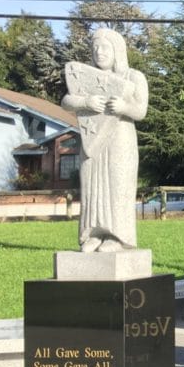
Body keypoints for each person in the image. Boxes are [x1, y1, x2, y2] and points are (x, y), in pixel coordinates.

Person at [62, 28, 148, 252]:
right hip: (92, 141)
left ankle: (117, 236)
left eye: (105, 47)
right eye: (95, 48)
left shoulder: (133, 76)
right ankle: (93, 234)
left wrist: (124, 107)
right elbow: (66, 101)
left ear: (117, 50)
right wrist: (86, 102)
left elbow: (141, 110)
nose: (99, 52)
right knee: (92, 186)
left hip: (120, 140)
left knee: (118, 187)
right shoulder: (87, 78)